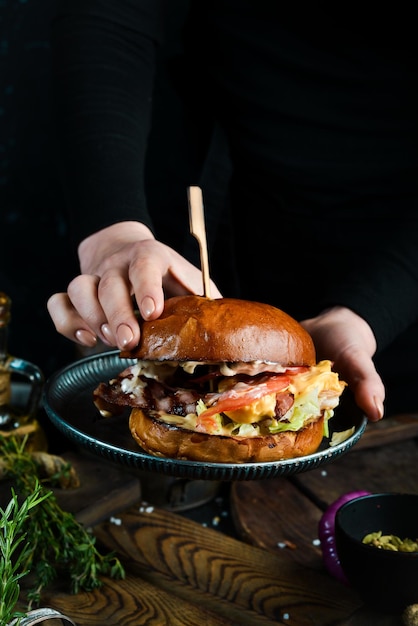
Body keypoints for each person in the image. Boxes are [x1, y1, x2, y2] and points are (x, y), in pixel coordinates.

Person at [47, 0, 418, 423]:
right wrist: (111, 231)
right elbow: (107, 18)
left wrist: (372, 311)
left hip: (401, 295)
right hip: (230, 214)